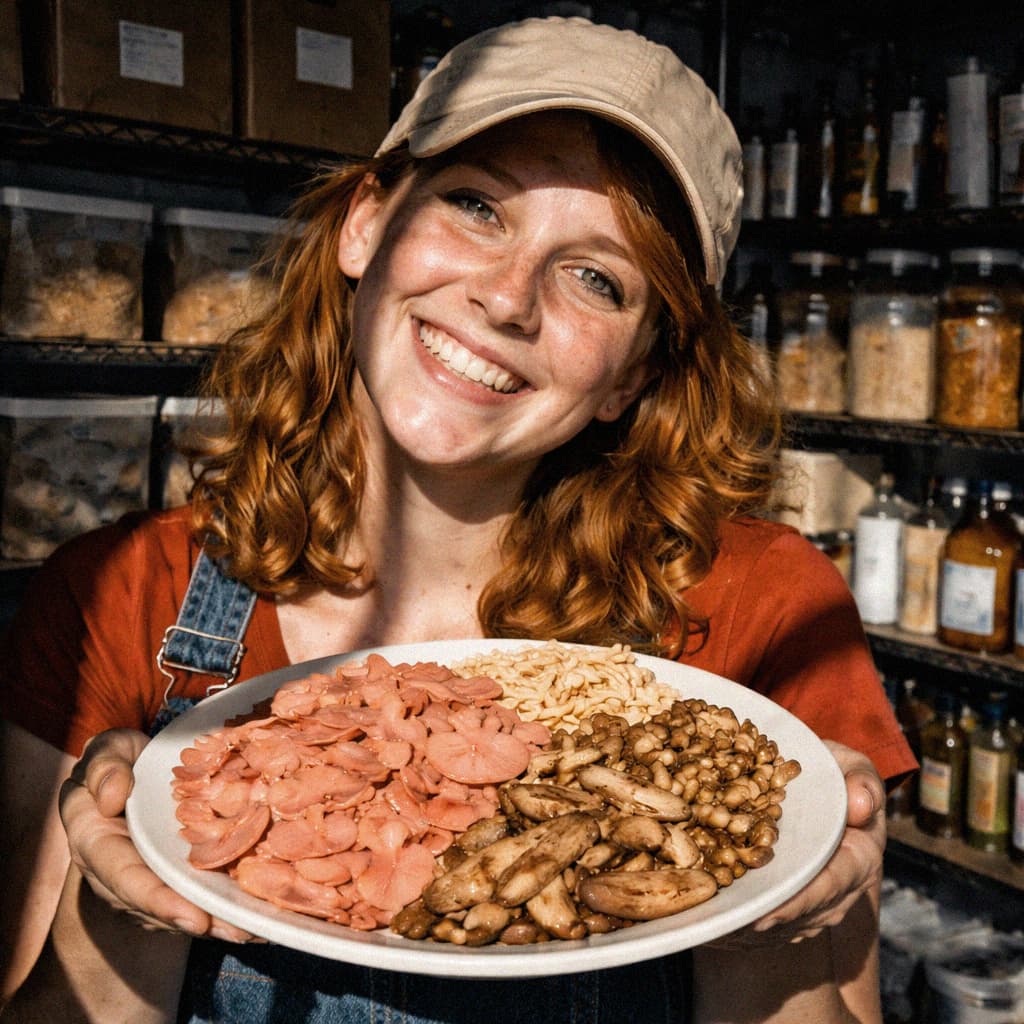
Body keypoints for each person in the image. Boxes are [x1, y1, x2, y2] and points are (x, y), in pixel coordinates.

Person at [0, 15, 914, 1024]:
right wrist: (131, 902)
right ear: (365, 224)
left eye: (596, 277)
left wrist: (756, 915)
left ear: (635, 373)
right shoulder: (121, 597)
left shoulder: (761, 608)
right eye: (477, 206)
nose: (507, 297)